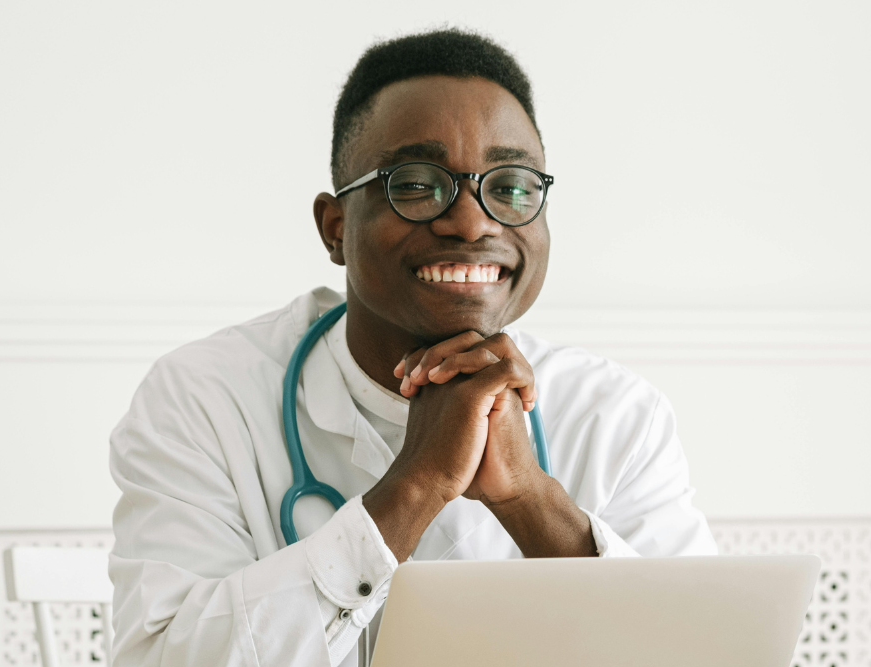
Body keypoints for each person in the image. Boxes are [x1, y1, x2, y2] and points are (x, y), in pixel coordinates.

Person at [107, 28, 717, 667]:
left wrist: (532, 502)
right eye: (418, 184)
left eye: (510, 186)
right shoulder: (204, 398)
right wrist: (414, 486)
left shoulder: (615, 412)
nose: (473, 222)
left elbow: (710, 651)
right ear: (335, 228)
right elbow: (162, 657)